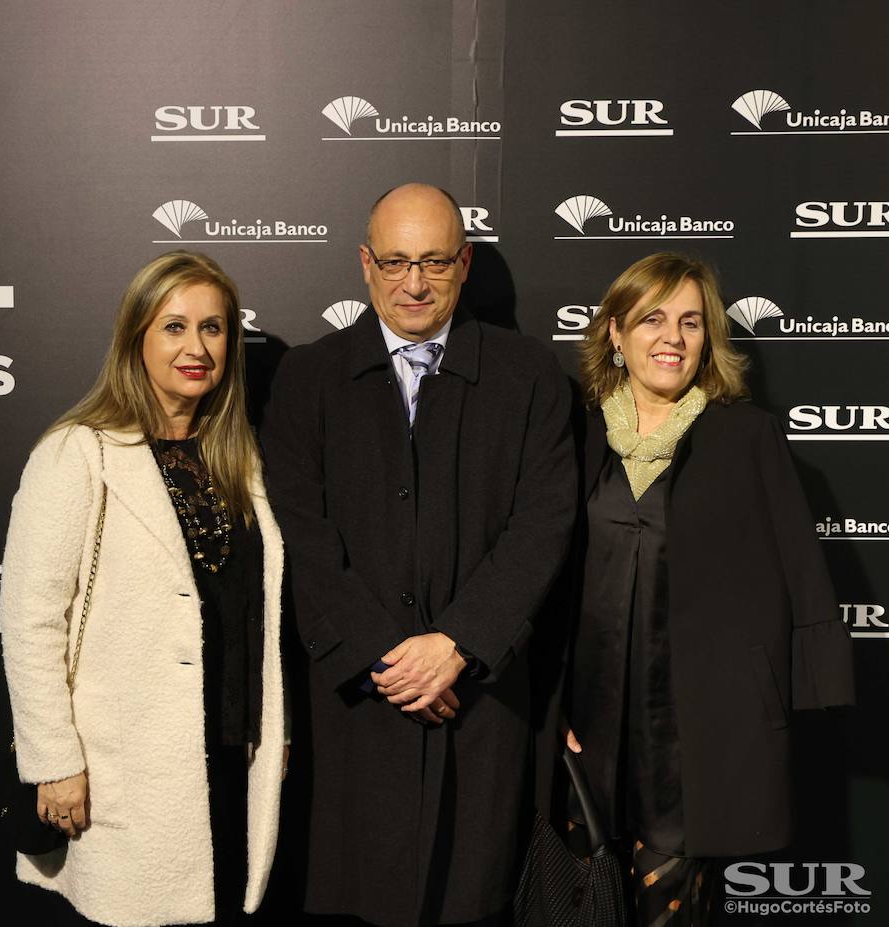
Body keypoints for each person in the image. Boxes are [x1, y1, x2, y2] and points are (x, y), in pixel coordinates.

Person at [261, 183, 577, 926]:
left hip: (481, 701)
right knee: (353, 896)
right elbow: (302, 535)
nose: (414, 282)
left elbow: (543, 526)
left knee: (475, 898)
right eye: (397, 261)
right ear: (365, 264)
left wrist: (458, 644)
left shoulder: (529, 375)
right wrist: (388, 659)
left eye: (434, 261)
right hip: (354, 703)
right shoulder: (307, 378)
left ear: (464, 263)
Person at [563, 252, 856, 925]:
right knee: (584, 902)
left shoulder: (745, 435)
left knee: (672, 909)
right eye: (653, 319)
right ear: (614, 331)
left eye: (691, 322)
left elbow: (800, 568)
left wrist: (802, 694)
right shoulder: (574, 434)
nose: (673, 337)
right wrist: (546, 704)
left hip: (695, 730)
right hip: (589, 725)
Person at [0, 251, 287, 926]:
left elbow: (252, 612)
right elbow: (31, 621)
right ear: (136, 338)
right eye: (175, 327)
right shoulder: (78, 453)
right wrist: (54, 761)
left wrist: (273, 731)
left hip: (227, 761)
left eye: (213, 328)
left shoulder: (238, 458)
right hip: (123, 767)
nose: (197, 347)